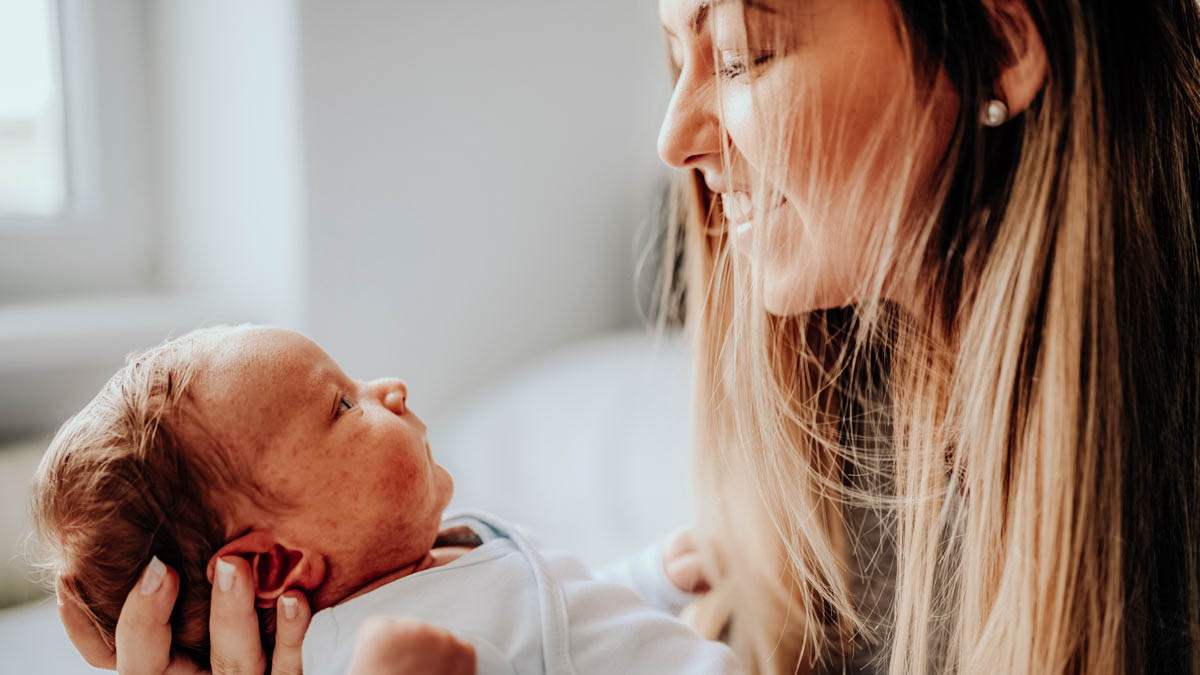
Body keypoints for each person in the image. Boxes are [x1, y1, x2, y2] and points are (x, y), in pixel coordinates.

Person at [59, 0, 1200, 673]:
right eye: (673, 52)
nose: (673, 135)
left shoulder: (1153, 506)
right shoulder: (818, 468)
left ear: (999, 48)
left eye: (745, 52)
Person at [36, 325, 738, 674]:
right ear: (276, 568)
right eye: (342, 404)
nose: (389, 387)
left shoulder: (445, 547)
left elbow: (565, 618)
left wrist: (652, 578)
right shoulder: (349, 649)